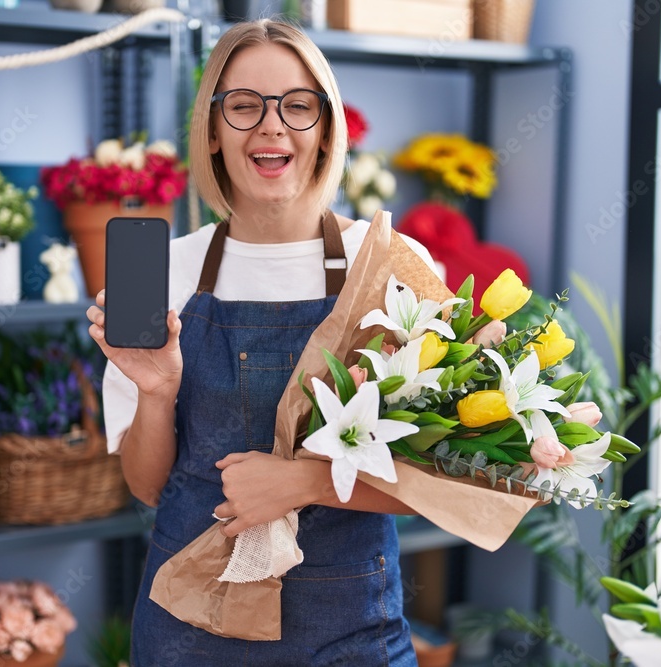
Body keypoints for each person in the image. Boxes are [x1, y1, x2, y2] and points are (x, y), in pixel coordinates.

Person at [87, 18, 436, 666]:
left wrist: (304, 483)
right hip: (189, 629)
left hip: (350, 635)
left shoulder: (386, 263)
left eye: (297, 106)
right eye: (244, 106)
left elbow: (436, 480)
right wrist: (158, 392)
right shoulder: (171, 272)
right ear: (214, 130)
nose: (272, 126)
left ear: (325, 127)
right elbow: (145, 485)